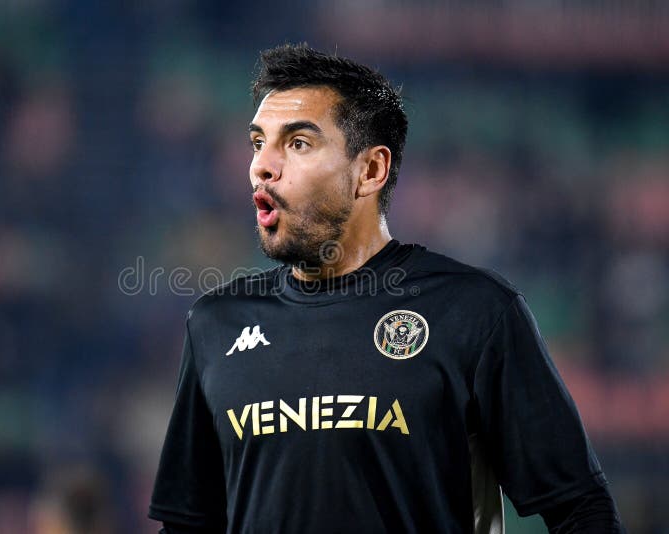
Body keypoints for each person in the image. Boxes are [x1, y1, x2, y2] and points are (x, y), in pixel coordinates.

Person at [148, 44, 623, 533]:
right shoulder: (216, 323)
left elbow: (580, 511)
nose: (262, 167)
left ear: (370, 170)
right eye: (257, 142)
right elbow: (187, 526)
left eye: (298, 143)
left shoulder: (474, 312)